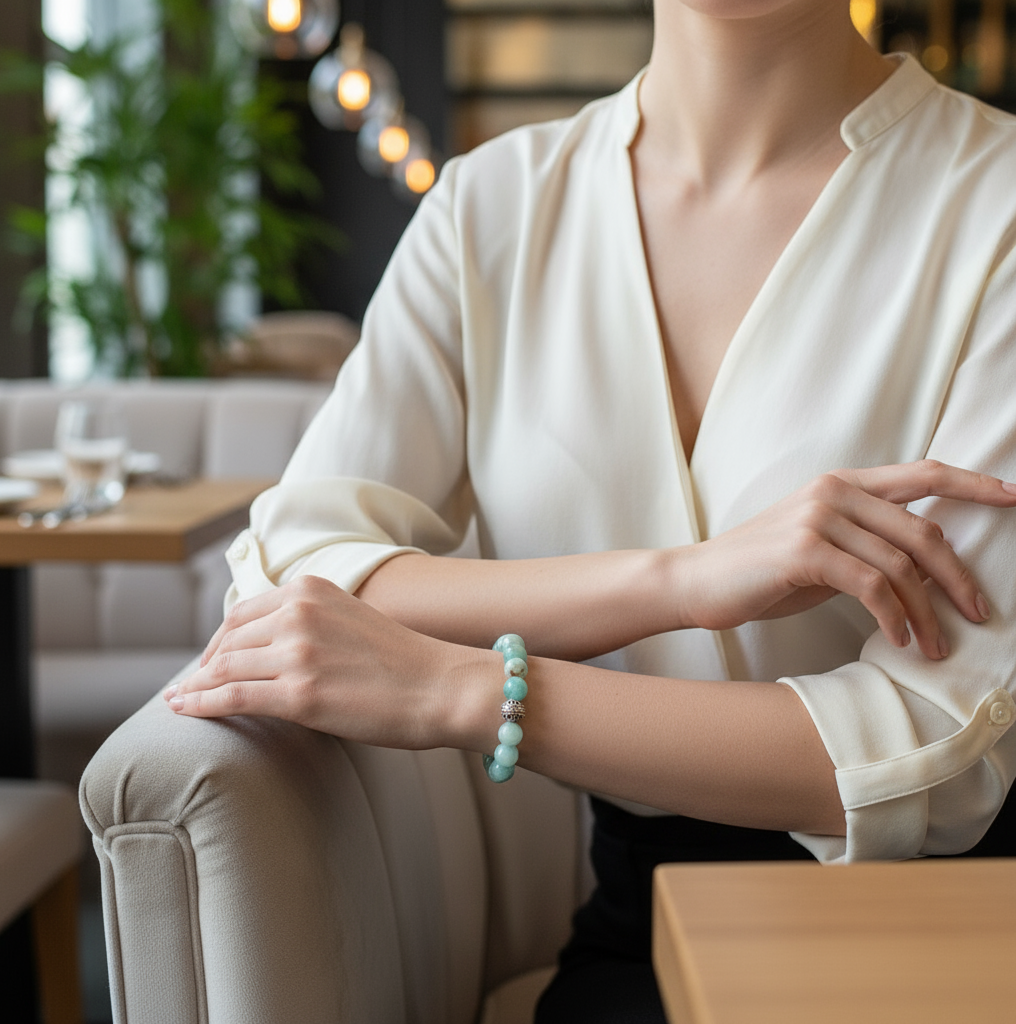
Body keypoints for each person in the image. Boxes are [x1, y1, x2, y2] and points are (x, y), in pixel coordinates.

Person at [164, 2, 1016, 1019]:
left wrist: (471, 693)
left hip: (952, 935)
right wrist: (678, 581)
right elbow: (282, 576)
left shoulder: (993, 202)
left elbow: (937, 744)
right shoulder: (494, 208)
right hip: (641, 929)